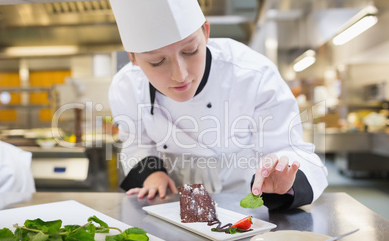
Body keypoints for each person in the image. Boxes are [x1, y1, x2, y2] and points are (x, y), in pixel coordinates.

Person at [108, 0, 328, 210]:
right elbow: (137, 141)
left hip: (248, 209)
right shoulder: (126, 87)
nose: (180, 75)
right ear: (133, 58)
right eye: (157, 62)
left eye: (190, 51)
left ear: (206, 32)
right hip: (171, 207)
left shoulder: (254, 75)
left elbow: (289, 148)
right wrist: (151, 174)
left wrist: (284, 181)